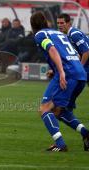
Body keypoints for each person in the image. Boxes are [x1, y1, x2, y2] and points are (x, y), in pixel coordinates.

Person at [30, 11, 89, 152]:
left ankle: (60, 144)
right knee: (59, 111)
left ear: (32, 26)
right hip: (80, 73)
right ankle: (86, 134)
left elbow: (52, 50)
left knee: (45, 108)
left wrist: (61, 71)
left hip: (67, 74)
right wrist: (58, 70)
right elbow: (72, 53)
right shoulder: (60, 33)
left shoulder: (40, 35)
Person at [57, 13, 89, 82]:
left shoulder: (74, 34)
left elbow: (86, 51)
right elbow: (80, 54)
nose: (59, 25)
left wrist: (80, 67)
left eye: (62, 23)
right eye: (58, 23)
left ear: (69, 23)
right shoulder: (69, 35)